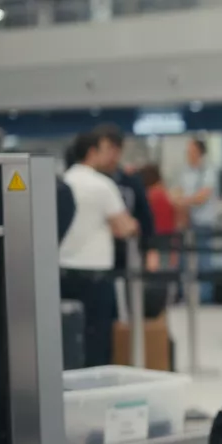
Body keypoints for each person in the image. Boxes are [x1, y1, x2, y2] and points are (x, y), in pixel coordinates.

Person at [60, 131, 139, 367]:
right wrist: (133, 225)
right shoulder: (102, 185)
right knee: (96, 342)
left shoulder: (62, 182)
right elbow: (123, 227)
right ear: (92, 152)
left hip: (62, 271)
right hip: (95, 275)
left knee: (68, 338)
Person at [95, 124, 156, 272]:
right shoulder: (90, 181)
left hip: (126, 252)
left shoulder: (130, 182)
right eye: (107, 149)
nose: (111, 155)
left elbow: (144, 217)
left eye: (116, 150)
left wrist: (150, 250)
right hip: (95, 252)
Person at [175, 136, 220, 302]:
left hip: (203, 223)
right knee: (185, 261)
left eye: (192, 150)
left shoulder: (208, 171)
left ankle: (205, 297)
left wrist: (184, 201)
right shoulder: (185, 171)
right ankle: (185, 295)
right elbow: (178, 192)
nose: (188, 154)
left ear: (200, 152)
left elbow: (202, 196)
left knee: (204, 261)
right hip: (187, 222)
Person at [139, 164, 177, 271]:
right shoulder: (164, 195)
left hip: (152, 236)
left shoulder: (147, 196)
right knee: (164, 269)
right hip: (166, 236)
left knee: (152, 270)